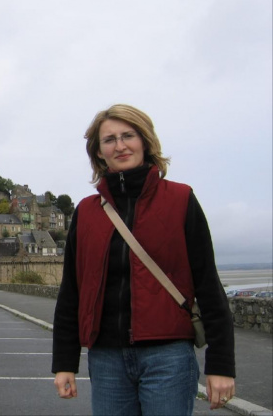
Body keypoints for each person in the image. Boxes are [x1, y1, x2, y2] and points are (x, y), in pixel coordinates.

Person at [52, 104, 235, 415]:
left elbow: (207, 284)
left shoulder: (180, 199)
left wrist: (221, 365)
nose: (120, 145)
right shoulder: (86, 211)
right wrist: (64, 364)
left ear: (146, 141)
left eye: (128, 135)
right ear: (98, 152)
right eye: (109, 139)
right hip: (106, 358)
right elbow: (72, 291)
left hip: (168, 356)